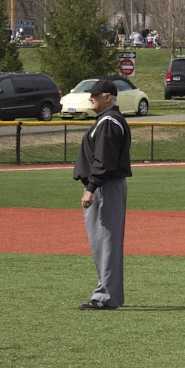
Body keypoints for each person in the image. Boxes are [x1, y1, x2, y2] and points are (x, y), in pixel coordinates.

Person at [74, 79, 132, 310]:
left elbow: (103, 160)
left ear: (107, 98)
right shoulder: (108, 120)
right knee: (106, 242)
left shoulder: (108, 122)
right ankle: (109, 294)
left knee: (105, 242)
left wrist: (90, 188)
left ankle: (105, 296)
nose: (91, 98)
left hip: (104, 187)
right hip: (107, 186)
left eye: (95, 95)